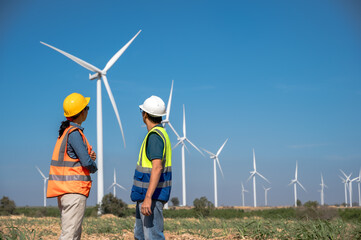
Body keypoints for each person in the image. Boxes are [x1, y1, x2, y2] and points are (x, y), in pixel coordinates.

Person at [47, 92, 97, 240]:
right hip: (74, 191)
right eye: (87, 108)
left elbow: (75, 157)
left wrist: (88, 156)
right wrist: (93, 165)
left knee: (73, 233)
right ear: (81, 112)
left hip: (64, 191)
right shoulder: (75, 133)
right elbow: (86, 163)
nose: (88, 110)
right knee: (70, 235)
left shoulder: (65, 132)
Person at [131, 95, 172, 240]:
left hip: (151, 197)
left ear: (145, 114)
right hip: (145, 196)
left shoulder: (155, 136)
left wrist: (148, 197)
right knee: (140, 236)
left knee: (152, 237)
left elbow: (157, 167)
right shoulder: (160, 134)